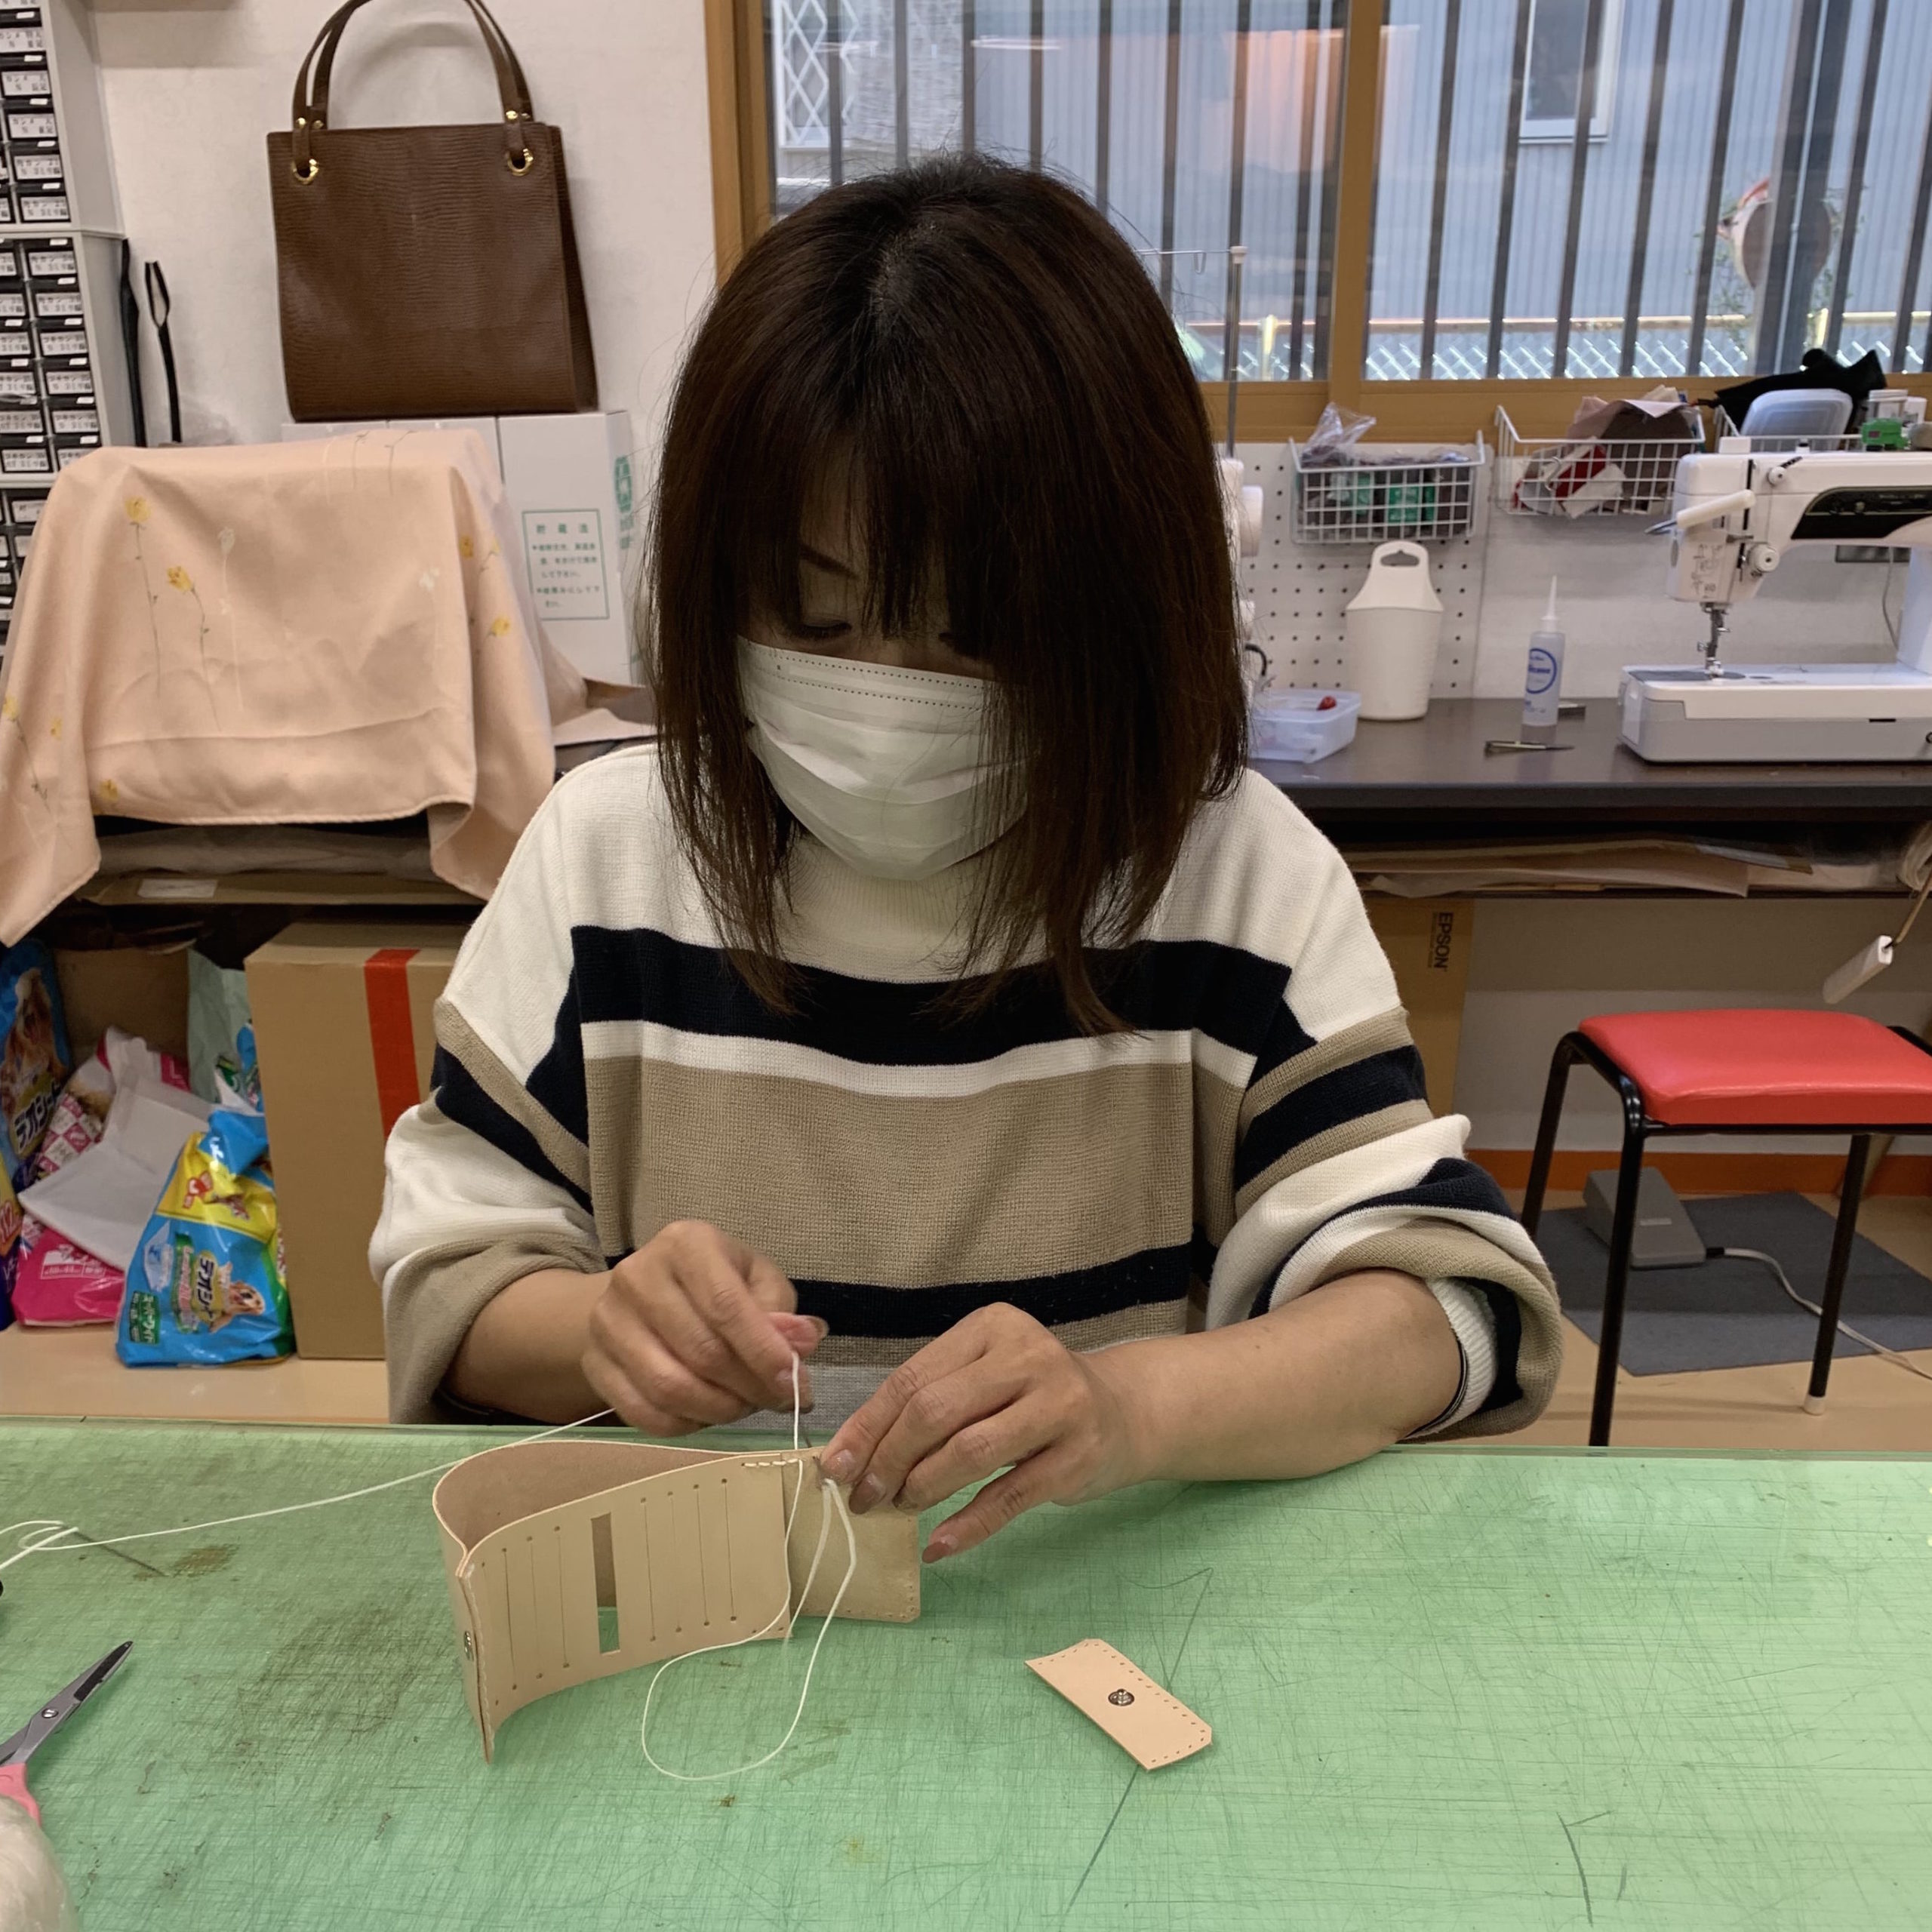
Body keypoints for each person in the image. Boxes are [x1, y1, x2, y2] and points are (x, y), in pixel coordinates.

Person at [372, 156, 1560, 1564]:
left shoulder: (1233, 874)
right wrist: (599, 1332)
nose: (887, 696)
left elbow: (1443, 1309)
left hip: (1097, 1597)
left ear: (1121, 613)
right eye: (811, 616)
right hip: (717, 1604)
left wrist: (1129, 1408)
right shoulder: (605, 862)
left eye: (977, 631)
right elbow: (449, 1281)